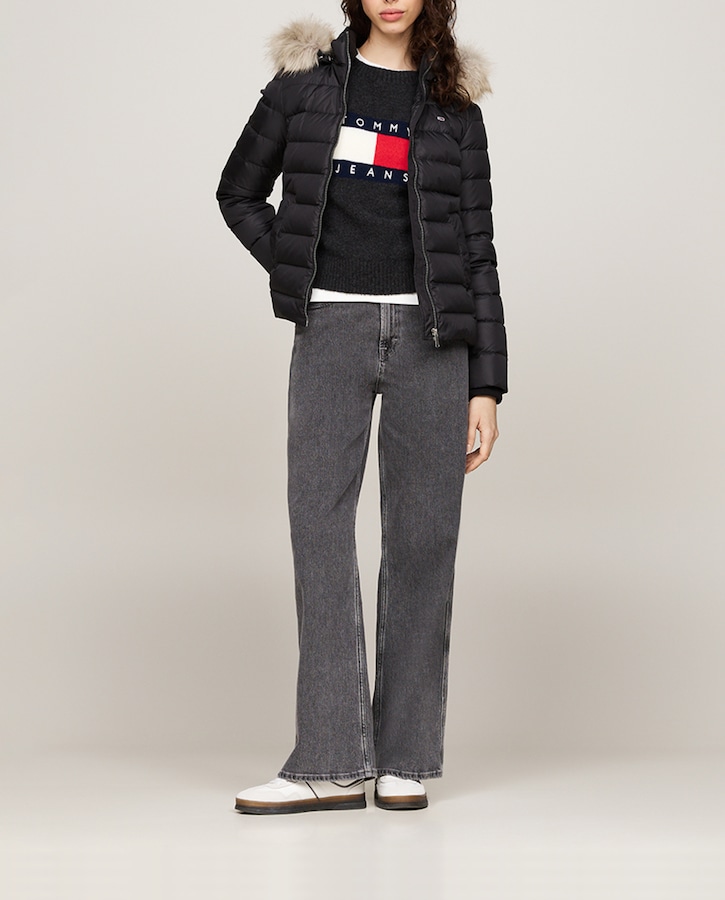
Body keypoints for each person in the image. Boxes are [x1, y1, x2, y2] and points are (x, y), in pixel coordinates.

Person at [216, 0, 507, 815]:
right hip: (332, 331)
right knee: (318, 531)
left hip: (433, 340)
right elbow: (238, 192)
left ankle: (404, 756)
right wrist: (301, 270)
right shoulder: (303, 85)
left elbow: (476, 251)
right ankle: (331, 759)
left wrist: (486, 385)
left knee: (422, 542)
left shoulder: (453, 106)